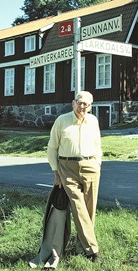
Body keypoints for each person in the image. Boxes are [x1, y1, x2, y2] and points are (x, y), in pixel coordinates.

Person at [47, 91, 102, 262]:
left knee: (89, 209)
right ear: (73, 103)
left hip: (91, 167)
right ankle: (92, 250)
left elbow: (98, 145)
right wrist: (56, 172)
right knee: (78, 207)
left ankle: (81, 248)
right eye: (79, 102)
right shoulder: (62, 121)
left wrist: (98, 163)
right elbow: (52, 148)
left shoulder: (93, 121)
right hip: (67, 168)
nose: (82, 106)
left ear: (90, 106)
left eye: (86, 104)